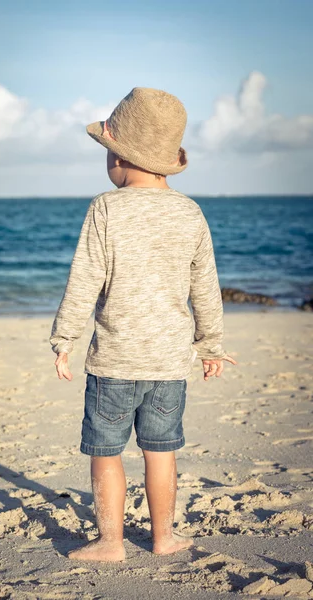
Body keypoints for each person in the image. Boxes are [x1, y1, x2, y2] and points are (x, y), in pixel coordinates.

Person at [49, 87, 237, 562]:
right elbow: (205, 290)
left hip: (114, 362)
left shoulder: (106, 209)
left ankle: (111, 543)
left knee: (106, 454)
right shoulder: (191, 213)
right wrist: (211, 346)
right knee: (161, 453)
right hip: (170, 363)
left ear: (120, 158)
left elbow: (84, 279)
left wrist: (64, 338)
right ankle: (164, 538)